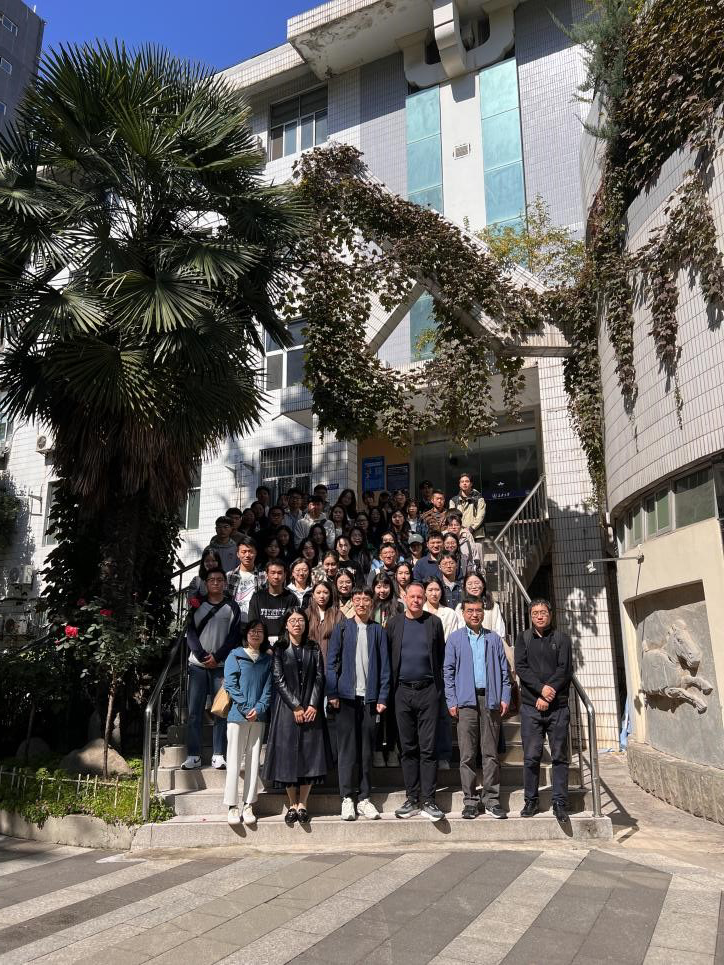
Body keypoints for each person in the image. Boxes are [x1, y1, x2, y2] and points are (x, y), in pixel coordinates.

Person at [326, 586, 390, 821]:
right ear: (352, 602)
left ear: (372, 603)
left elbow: (385, 667)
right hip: (345, 698)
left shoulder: (378, 630)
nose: (362, 603)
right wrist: (332, 692)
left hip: (370, 700)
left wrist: (383, 696)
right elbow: (331, 662)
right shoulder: (342, 628)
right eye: (357, 599)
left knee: (366, 751)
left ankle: (364, 797)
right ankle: (347, 797)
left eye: (366, 599)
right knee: (346, 750)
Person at [444, 595, 511, 820]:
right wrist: (451, 700)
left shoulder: (493, 639)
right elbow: (448, 672)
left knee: (490, 753)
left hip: (490, 700)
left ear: (484, 612)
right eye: (470, 610)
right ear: (463, 613)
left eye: (478, 610)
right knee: (467, 754)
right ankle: (470, 800)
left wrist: (505, 696)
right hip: (465, 702)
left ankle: (491, 799)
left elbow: (504, 671)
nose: (475, 614)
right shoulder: (455, 639)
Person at [262, 608, 331, 825]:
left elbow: (319, 676)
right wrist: (295, 706)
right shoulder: (280, 648)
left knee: (309, 754)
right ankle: (292, 803)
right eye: (292, 621)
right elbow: (278, 678)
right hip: (287, 709)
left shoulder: (313, 647)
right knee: (287, 755)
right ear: (286, 624)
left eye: (300, 620)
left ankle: (303, 803)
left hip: (311, 709)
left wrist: (312, 704)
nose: (296, 624)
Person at [386, 582, 446, 822]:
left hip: (428, 691)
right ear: (405, 598)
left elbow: (440, 656)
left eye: (420, 597)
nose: (416, 600)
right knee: (408, 747)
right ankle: (412, 798)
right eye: (412, 596)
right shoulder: (394, 624)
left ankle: (429, 799)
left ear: (425, 599)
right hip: (402, 692)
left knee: (428, 748)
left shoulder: (434, 623)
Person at [514, 598, 573, 822]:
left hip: (558, 707)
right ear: (530, 616)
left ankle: (560, 802)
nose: (539, 616)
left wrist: (548, 694)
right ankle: (531, 800)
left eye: (543, 612)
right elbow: (521, 668)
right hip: (531, 708)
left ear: (550, 614)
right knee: (531, 756)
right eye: (535, 613)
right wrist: (541, 691)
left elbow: (565, 669)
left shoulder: (562, 639)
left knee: (559, 756)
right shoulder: (523, 638)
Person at [182, 568, 241, 771]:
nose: (215, 582)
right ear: (206, 583)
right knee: (194, 712)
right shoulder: (196, 605)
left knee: (221, 710)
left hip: (221, 666)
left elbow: (234, 636)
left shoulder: (232, 606)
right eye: (211, 579)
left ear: (225, 583)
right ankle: (193, 754)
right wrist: (201, 655)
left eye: (219, 579)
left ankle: (218, 754)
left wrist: (218, 656)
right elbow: (190, 633)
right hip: (197, 665)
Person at [223, 620, 273, 826]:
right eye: (253, 631)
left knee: (253, 762)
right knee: (234, 760)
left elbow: (269, 689)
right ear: (246, 634)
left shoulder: (267, 660)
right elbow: (230, 684)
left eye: (260, 631)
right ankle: (232, 805)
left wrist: (259, 708)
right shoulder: (235, 655)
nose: (256, 634)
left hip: (258, 717)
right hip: (237, 716)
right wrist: (245, 708)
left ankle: (248, 804)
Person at [248, 560, 296, 643]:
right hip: (261, 642)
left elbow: (293, 624)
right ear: (266, 575)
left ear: (285, 575)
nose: (276, 576)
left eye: (279, 573)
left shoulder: (291, 598)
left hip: (284, 642)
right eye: (272, 573)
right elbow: (253, 623)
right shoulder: (257, 597)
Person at [305, 579, 341, 662]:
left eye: (325, 592)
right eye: (318, 592)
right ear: (313, 595)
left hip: (331, 662)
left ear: (330, 594)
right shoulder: (307, 614)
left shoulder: (338, 615)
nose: (322, 596)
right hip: (310, 661)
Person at [226, 536, 259, 623]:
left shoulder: (263, 576)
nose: (247, 555)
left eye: (250, 551)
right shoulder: (229, 576)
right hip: (234, 622)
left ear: (256, 553)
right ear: (238, 554)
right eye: (243, 552)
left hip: (255, 623)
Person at [449, 472, 486, 544]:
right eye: (462, 482)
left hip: (477, 535)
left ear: (471, 484)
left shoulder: (479, 499)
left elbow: (480, 516)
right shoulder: (453, 500)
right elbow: (452, 517)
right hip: (460, 535)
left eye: (467, 481)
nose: (464, 483)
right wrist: (460, 529)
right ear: (459, 484)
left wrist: (471, 528)